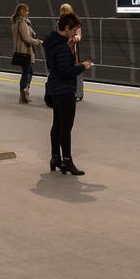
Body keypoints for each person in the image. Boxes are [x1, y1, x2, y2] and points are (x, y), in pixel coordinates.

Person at [43, 11, 91, 175]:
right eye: (74, 30)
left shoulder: (51, 42)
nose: (75, 34)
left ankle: (55, 158)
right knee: (66, 127)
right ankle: (67, 161)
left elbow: (54, 67)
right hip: (64, 90)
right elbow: (66, 71)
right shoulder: (62, 46)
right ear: (67, 28)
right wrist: (82, 66)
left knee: (57, 124)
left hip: (54, 88)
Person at [11, 4, 37, 104]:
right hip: (24, 51)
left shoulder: (15, 22)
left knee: (26, 71)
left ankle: (24, 93)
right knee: (28, 72)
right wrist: (38, 41)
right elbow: (26, 38)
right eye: (27, 11)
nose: (28, 13)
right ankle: (24, 93)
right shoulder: (22, 23)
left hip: (20, 50)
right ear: (22, 11)